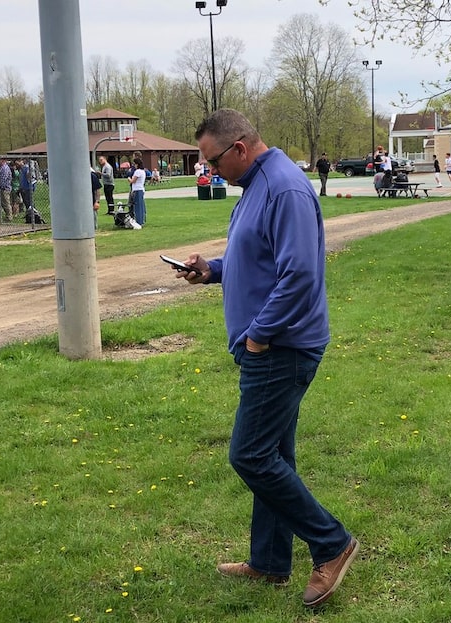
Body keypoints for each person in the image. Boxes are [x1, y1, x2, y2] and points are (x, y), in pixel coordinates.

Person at [174, 108, 359, 609]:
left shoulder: (285, 188)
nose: (209, 171)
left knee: (250, 455)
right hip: (271, 345)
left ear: (239, 148)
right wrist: (210, 269)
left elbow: (298, 275)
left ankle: (332, 543)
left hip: (282, 348)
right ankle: (270, 562)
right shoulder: (256, 186)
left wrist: (258, 336)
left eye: (212, 161)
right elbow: (253, 257)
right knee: (274, 456)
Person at [128, 157, 146, 226]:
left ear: (137, 164)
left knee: (137, 207)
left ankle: (138, 221)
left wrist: (129, 179)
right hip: (141, 189)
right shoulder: (143, 171)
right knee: (141, 206)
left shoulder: (138, 171)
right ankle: (141, 220)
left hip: (137, 190)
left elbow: (133, 181)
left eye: (134, 164)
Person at [0, 157, 13, 221]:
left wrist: (1, 187)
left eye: (0, 160)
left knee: (6, 203)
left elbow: (4, 179)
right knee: (1, 203)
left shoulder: (5, 168)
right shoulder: (2, 167)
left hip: (5, 188)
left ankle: (9, 216)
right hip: (2, 188)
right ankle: (1, 216)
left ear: (3, 160)